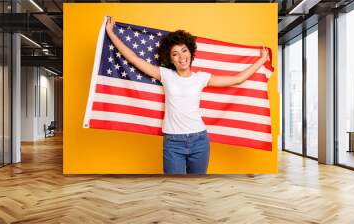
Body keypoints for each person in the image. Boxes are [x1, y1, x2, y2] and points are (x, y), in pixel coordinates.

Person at [105, 17, 269, 174]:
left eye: (184, 51)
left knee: (196, 188)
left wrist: (262, 60)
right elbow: (133, 59)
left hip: (200, 140)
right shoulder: (165, 75)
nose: (181, 57)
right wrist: (111, 33)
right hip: (173, 143)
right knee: (175, 189)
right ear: (170, 59)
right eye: (175, 54)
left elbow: (237, 79)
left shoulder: (201, 78)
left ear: (191, 52)